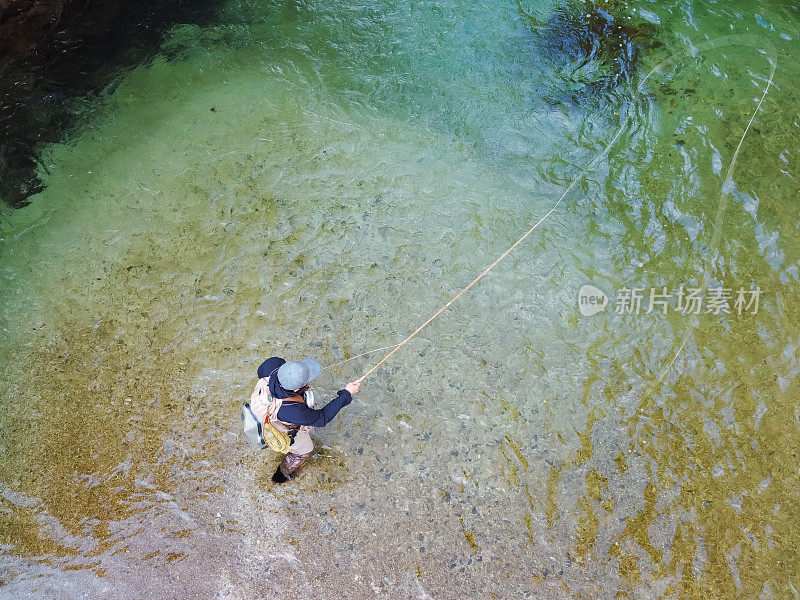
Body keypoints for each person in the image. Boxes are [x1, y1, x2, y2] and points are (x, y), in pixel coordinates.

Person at [252, 356, 361, 483]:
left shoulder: (273, 364)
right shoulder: (295, 411)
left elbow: (260, 371)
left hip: (260, 407)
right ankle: (280, 476)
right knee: (304, 451)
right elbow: (322, 418)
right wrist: (346, 394)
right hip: (279, 424)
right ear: (296, 389)